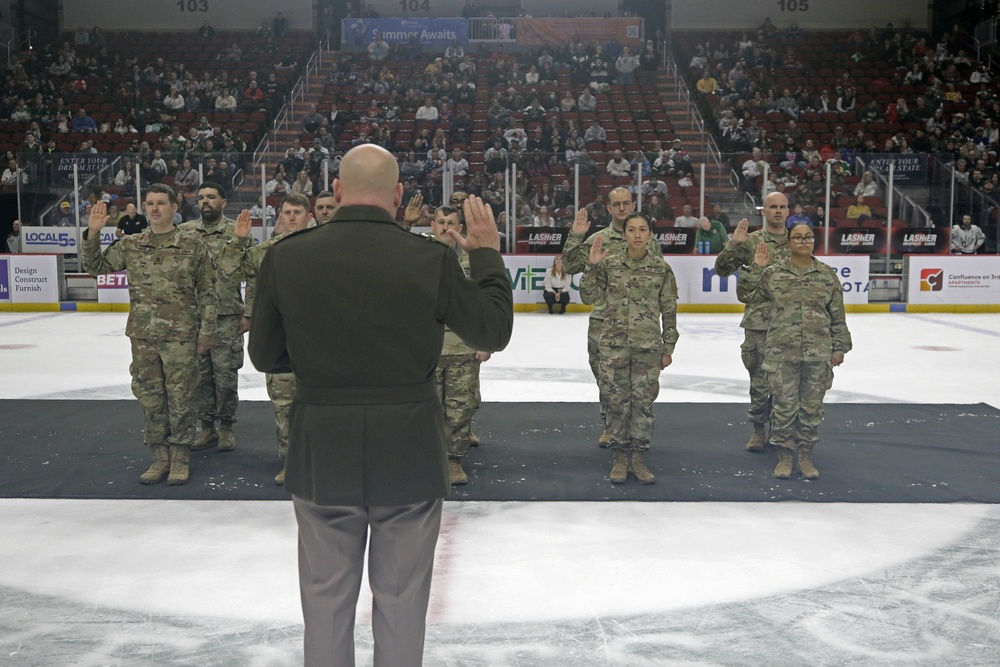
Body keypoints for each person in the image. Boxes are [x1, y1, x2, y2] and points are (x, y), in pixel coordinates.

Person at [247, 144, 513, 667]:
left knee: (325, 601)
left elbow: (265, 354)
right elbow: (492, 331)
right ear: (397, 196)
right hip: (408, 449)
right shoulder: (430, 258)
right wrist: (485, 254)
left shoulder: (286, 255)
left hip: (322, 445)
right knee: (402, 600)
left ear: (338, 191)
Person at [81, 185, 217, 486]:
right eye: (149, 204)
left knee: (181, 397)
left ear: (174, 207)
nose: (154, 209)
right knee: (151, 398)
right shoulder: (132, 244)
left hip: (182, 335)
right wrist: (92, 234)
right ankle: (159, 457)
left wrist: (206, 334)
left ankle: (180, 455)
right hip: (144, 336)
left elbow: (208, 292)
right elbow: (95, 267)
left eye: (160, 203)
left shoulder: (192, 245)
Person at [738, 223, 852, 479]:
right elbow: (746, 295)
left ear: (814, 241)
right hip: (781, 352)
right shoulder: (773, 273)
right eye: (797, 237)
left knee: (811, 409)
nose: (803, 241)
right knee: (783, 407)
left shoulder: (825, 275)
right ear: (788, 242)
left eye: (808, 237)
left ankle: (806, 456)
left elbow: (837, 315)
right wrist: (756, 267)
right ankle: (785, 457)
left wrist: (840, 347)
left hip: (817, 353)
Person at [220, 193, 314, 484]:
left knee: (320, 407)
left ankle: (320, 461)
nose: (292, 217)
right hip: (281, 344)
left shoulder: (321, 249)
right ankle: (290, 462)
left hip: (318, 344)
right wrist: (238, 241)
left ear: (308, 216)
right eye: (287, 212)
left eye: (298, 212)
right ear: (280, 217)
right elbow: (230, 272)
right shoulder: (267, 252)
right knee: (284, 406)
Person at [579, 212, 678, 484]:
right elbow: (587, 296)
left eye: (642, 229)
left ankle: (639, 458)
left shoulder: (661, 269)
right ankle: (619, 458)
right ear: (624, 234)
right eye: (631, 229)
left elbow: (669, 310)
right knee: (616, 403)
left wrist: (668, 347)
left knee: (643, 404)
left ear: (650, 234)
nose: (636, 234)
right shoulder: (609, 265)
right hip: (613, 346)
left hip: (647, 348)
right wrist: (591, 266)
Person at [562, 187, 663, 447]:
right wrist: (575, 236)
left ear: (633, 205)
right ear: (608, 208)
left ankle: (634, 430)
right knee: (607, 379)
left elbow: (659, 280)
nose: (621, 208)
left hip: (640, 324)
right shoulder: (598, 239)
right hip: (605, 323)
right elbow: (571, 266)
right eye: (616, 204)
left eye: (626, 203)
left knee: (640, 384)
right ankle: (611, 425)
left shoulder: (649, 240)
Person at [714, 192, 792, 452]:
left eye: (782, 207)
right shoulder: (752, 242)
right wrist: (734, 245)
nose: (778, 211)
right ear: (764, 211)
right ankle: (759, 430)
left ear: (788, 211)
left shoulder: (798, 241)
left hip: (792, 324)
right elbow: (722, 269)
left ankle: (781, 431)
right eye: (773, 207)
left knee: (788, 383)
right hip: (759, 323)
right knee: (759, 382)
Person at [178, 183, 253, 453]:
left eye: (211, 197)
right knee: (199, 377)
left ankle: (226, 427)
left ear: (223, 202)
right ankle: (206, 427)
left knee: (225, 377)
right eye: (201, 198)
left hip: (226, 317)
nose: (205, 201)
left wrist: (249, 312)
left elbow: (252, 274)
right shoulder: (185, 232)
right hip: (195, 318)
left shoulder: (238, 231)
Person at [427, 204, 493, 485]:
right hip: (427, 347)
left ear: (460, 227)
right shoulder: (420, 256)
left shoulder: (473, 260)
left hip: (463, 346)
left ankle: (454, 460)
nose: (445, 227)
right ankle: (430, 458)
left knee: (459, 408)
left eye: (451, 222)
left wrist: (486, 340)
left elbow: (485, 302)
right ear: (432, 226)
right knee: (427, 408)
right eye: (440, 222)